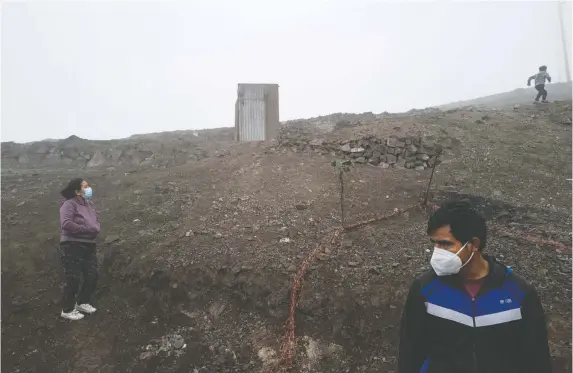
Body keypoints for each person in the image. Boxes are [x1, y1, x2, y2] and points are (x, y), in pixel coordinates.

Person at [398, 200, 551, 373]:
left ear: (474, 245)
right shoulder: (425, 289)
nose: (437, 251)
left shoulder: (519, 294)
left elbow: (537, 359)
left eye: (446, 244)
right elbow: (410, 354)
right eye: (435, 243)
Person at [59, 178, 100, 321]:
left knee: (92, 275)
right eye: (85, 186)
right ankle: (67, 310)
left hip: (89, 244)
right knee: (74, 278)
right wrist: (86, 230)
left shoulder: (89, 204)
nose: (89, 188)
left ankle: (82, 302)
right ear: (77, 191)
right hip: (72, 244)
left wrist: (94, 229)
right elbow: (66, 224)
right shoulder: (68, 204)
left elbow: (95, 222)